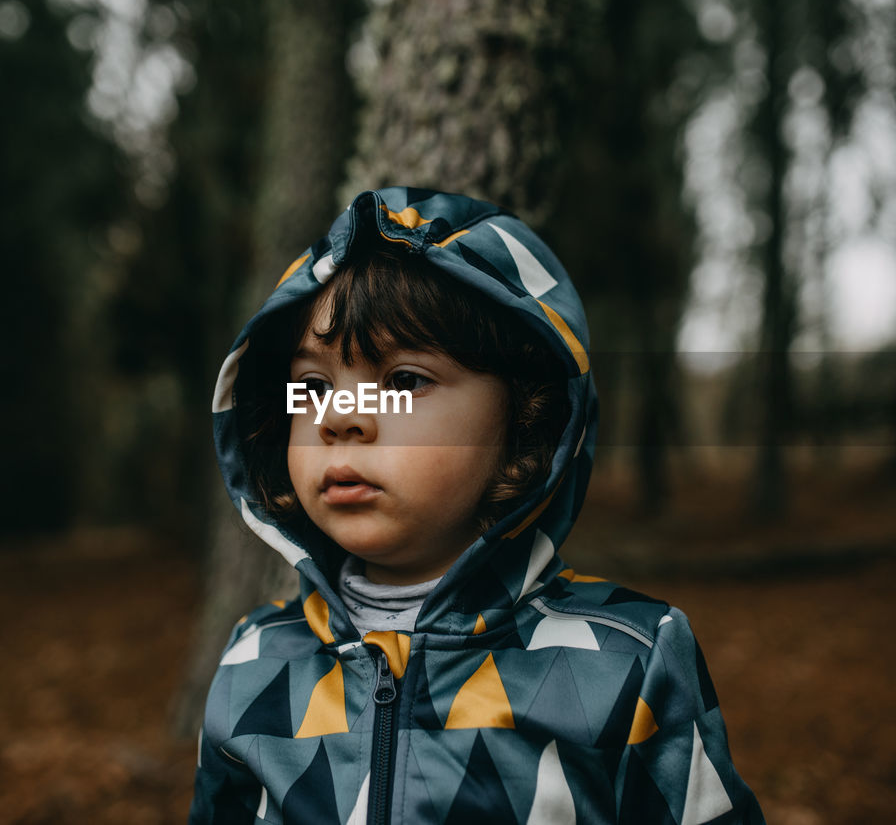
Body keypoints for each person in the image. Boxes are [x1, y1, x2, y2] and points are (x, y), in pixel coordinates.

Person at [190, 187, 764, 824]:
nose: (341, 419)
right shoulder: (255, 663)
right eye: (314, 386)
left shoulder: (625, 661)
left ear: (524, 423)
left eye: (405, 381)